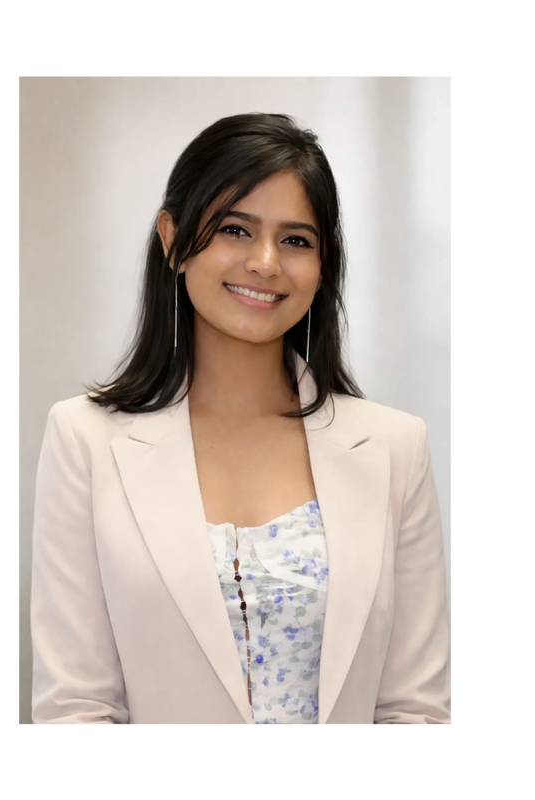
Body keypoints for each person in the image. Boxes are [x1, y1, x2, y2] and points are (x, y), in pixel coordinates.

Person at [30, 113, 453, 727]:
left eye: (297, 240)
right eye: (235, 228)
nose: (265, 262)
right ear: (172, 240)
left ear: (323, 265)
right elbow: (78, 705)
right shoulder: (85, 439)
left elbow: (414, 707)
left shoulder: (394, 446)